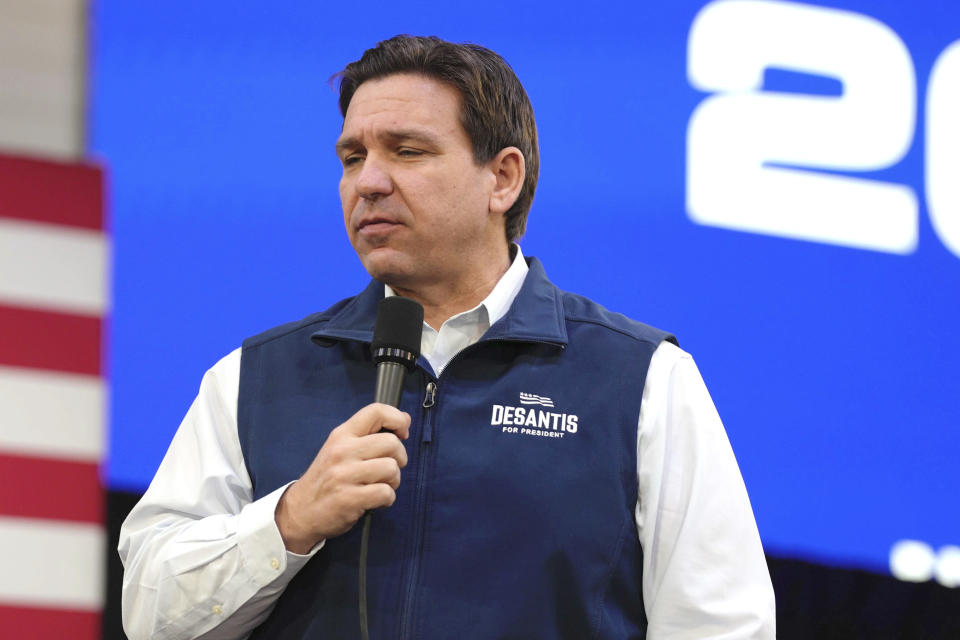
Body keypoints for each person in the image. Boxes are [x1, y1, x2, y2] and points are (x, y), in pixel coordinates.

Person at [119, 35, 775, 639]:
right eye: (354, 156)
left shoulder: (641, 379)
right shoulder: (254, 377)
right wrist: (290, 519)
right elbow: (151, 617)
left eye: (407, 151)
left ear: (503, 178)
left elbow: (721, 624)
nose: (369, 181)